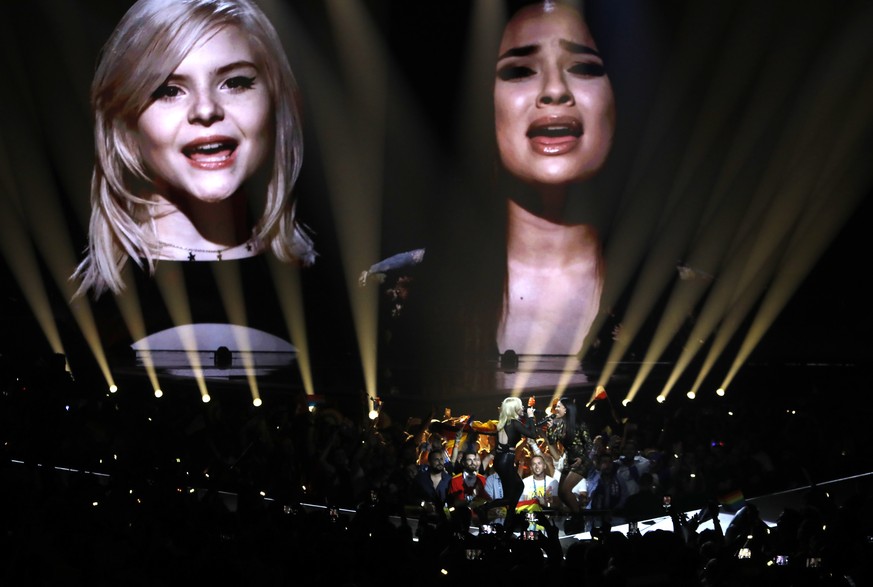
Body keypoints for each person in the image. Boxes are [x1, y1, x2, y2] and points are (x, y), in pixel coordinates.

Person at [72, 0, 315, 298]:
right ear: (126, 124)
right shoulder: (73, 305)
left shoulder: (341, 293)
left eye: (234, 82)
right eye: (169, 90)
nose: (205, 109)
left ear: (277, 103)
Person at [476, 396, 540, 526]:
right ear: (514, 408)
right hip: (505, 461)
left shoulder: (508, 423)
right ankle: (484, 508)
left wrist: (529, 418)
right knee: (510, 497)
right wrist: (531, 416)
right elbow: (532, 434)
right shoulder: (513, 423)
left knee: (518, 488)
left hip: (503, 461)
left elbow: (526, 429)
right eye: (520, 406)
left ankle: (509, 522)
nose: (522, 408)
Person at [545, 396, 592, 519]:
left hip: (582, 461)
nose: (556, 409)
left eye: (559, 407)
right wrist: (550, 429)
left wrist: (581, 458)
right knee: (561, 493)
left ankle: (578, 517)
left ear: (567, 409)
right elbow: (551, 441)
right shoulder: (560, 425)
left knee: (566, 490)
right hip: (569, 460)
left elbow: (589, 445)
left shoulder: (579, 424)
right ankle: (574, 512)